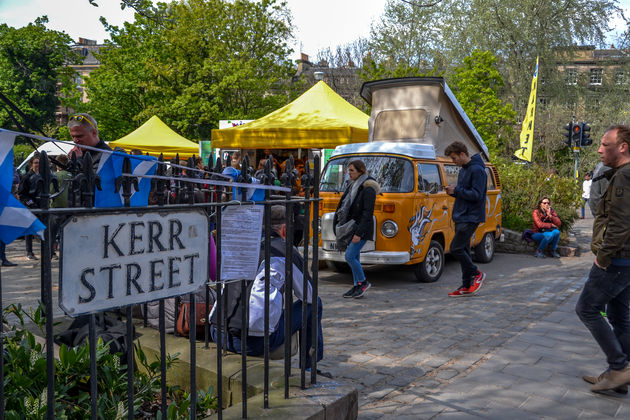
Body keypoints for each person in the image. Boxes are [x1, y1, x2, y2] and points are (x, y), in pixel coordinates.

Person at [209, 205, 323, 369]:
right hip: (253, 342)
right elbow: (309, 295)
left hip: (218, 332)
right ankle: (309, 367)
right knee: (315, 305)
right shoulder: (285, 251)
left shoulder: (243, 245)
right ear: (284, 230)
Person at [576, 125, 630, 393]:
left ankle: (619, 367)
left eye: (605, 144)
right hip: (626, 259)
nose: (599, 149)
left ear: (623, 147)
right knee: (620, 317)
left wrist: (603, 257)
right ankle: (619, 379)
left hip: (618, 258)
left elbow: (620, 225)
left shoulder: (624, 177)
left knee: (586, 309)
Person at [444, 141, 487, 297]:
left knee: (456, 248)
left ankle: (476, 274)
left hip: (471, 216)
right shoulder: (463, 170)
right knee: (464, 250)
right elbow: (464, 192)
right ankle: (466, 285)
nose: (453, 162)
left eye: (454, 158)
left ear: (463, 154)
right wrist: (453, 192)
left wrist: (457, 190)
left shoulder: (477, 170)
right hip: (461, 215)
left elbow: (477, 195)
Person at [333, 160, 379, 299]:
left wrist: (359, 233)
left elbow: (367, 214)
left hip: (361, 229)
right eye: (348, 170)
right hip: (352, 227)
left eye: (352, 170)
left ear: (360, 171)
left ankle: (363, 282)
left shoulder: (368, 188)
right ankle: (357, 286)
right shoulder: (354, 186)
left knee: (350, 256)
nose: (349, 173)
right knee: (355, 257)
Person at [17, 154, 41, 260]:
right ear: (31, 164)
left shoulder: (44, 175)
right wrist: (30, 203)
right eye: (36, 162)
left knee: (45, 228)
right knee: (29, 229)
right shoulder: (27, 177)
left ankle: (50, 251)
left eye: (39, 163)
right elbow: (22, 194)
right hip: (31, 206)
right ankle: (29, 252)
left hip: (43, 206)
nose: (38, 165)